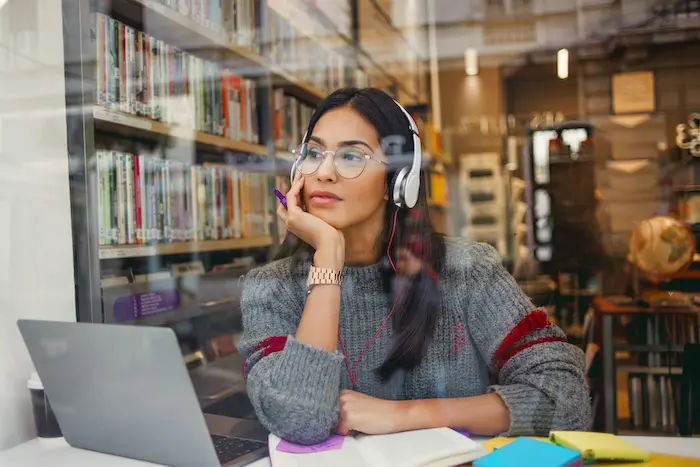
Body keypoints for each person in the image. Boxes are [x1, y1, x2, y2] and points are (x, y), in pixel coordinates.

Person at [239, 87, 590, 445]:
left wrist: (401, 415)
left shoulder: (467, 271)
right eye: (314, 153)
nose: (324, 171)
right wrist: (328, 255)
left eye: (351, 156)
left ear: (398, 179)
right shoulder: (270, 289)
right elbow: (299, 421)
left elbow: (565, 399)